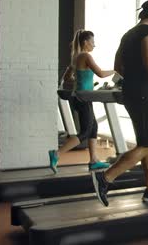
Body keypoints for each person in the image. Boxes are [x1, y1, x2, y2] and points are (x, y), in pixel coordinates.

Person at [92, 0, 148, 206]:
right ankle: (106, 178)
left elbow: (117, 66)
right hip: (143, 93)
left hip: (131, 92)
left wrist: (132, 81)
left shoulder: (128, 34)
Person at [49, 29, 116, 173]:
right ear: (85, 42)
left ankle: (93, 161)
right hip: (83, 98)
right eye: (93, 42)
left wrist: (79, 80)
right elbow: (101, 73)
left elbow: (67, 78)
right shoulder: (86, 56)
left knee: (94, 127)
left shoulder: (76, 56)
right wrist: (116, 70)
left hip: (80, 97)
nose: (94, 45)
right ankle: (57, 154)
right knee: (85, 131)